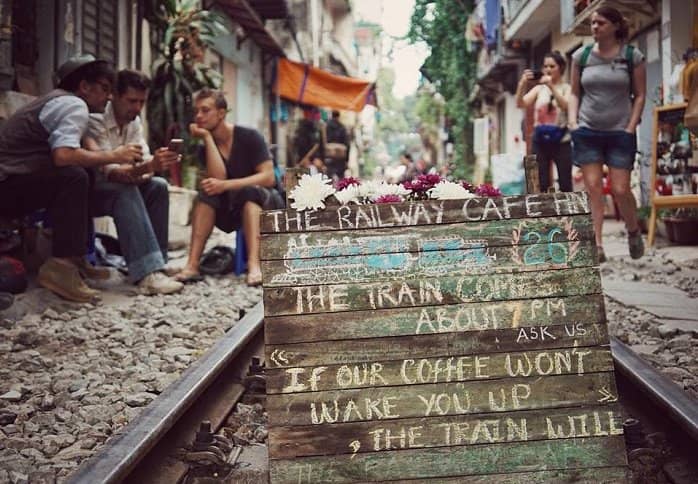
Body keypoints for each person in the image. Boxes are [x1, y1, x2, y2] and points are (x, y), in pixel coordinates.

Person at [0, 55, 142, 303]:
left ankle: (75, 259)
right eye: (104, 89)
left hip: (12, 180)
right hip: (6, 184)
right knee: (73, 176)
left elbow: (78, 152)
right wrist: (114, 155)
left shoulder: (61, 102)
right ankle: (60, 267)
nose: (109, 97)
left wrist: (105, 158)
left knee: (83, 173)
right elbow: (63, 156)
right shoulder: (74, 105)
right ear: (84, 87)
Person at [83, 69, 183, 295]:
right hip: (89, 192)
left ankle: (157, 264)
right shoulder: (95, 120)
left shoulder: (134, 122)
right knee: (123, 190)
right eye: (131, 101)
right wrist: (147, 167)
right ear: (115, 96)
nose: (137, 108)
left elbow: (142, 163)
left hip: (119, 186)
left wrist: (150, 167)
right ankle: (147, 274)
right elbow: (112, 173)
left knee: (158, 186)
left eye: (141, 102)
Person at [174, 89, 284, 286]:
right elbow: (218, 179)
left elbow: (268, 178)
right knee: (207, 194)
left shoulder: (249, 136)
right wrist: (207, 139)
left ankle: (254, 265)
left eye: (205, 110)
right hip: (232, 208)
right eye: (196, 111)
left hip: (265, 202)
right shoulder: (205, 147)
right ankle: (192, 265)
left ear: (221, 113)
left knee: (250, 194)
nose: (198, 116)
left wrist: (226, 185)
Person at [568, 6, 646, 262]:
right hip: (588, 129)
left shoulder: (631, 56)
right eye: (592, 23)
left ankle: (633, 230)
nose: (595, 27)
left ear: (614, 26)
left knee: (620, 189)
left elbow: (640, 94)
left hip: (620, 132)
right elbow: (574, 93)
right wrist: (572, 122)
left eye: (600, 23)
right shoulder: (582, 56)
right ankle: (597, 245)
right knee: (592, 187)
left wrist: (631, 126)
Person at [516, 51, 573, 192]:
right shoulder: (539, 89)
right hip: (540, 139)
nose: (548, 69)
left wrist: (552, 87)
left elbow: (566, 106)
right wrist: (522, 83)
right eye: (545, 66)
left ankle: (567, 213)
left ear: (561, 68)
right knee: (541, 180)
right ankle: (546, 211)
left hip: (562, 139)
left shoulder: (567, 88)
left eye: (552, 66)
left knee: (565, 180)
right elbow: (521, 103)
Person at [324, 110, 350, 179]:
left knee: (328, 178)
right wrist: (347, 160)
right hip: (340, 156)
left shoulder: (326, 126)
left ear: (332, 115)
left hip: (329, 155)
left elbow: (323, 142)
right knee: (341, 178)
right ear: (338, 116)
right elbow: (347, 144)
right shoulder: (342, 127)